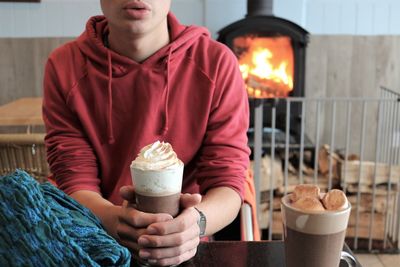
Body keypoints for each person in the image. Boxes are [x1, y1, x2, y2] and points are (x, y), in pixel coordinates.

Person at [43, 0, 250, 266]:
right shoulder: (64, 66)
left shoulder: (216, 63)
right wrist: (116, 221)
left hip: (186, 250)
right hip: (93, 239)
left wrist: (195, 223)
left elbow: (228, 182)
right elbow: (75, 180)